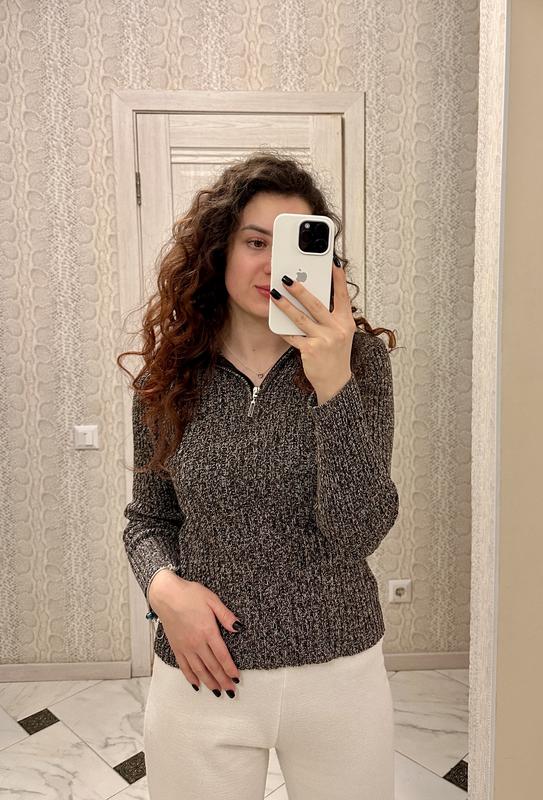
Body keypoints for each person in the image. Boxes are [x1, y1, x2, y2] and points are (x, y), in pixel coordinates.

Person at [117, 151, 400, 800]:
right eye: (254, 242)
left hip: (339, 671)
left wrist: (332, 385)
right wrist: (165, 592)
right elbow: (148, 519)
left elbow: (359, 529)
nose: (272, 264)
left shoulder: (358, 361)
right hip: (202, 670)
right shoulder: (169, 376)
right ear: (220, 251)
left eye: (294, 244)